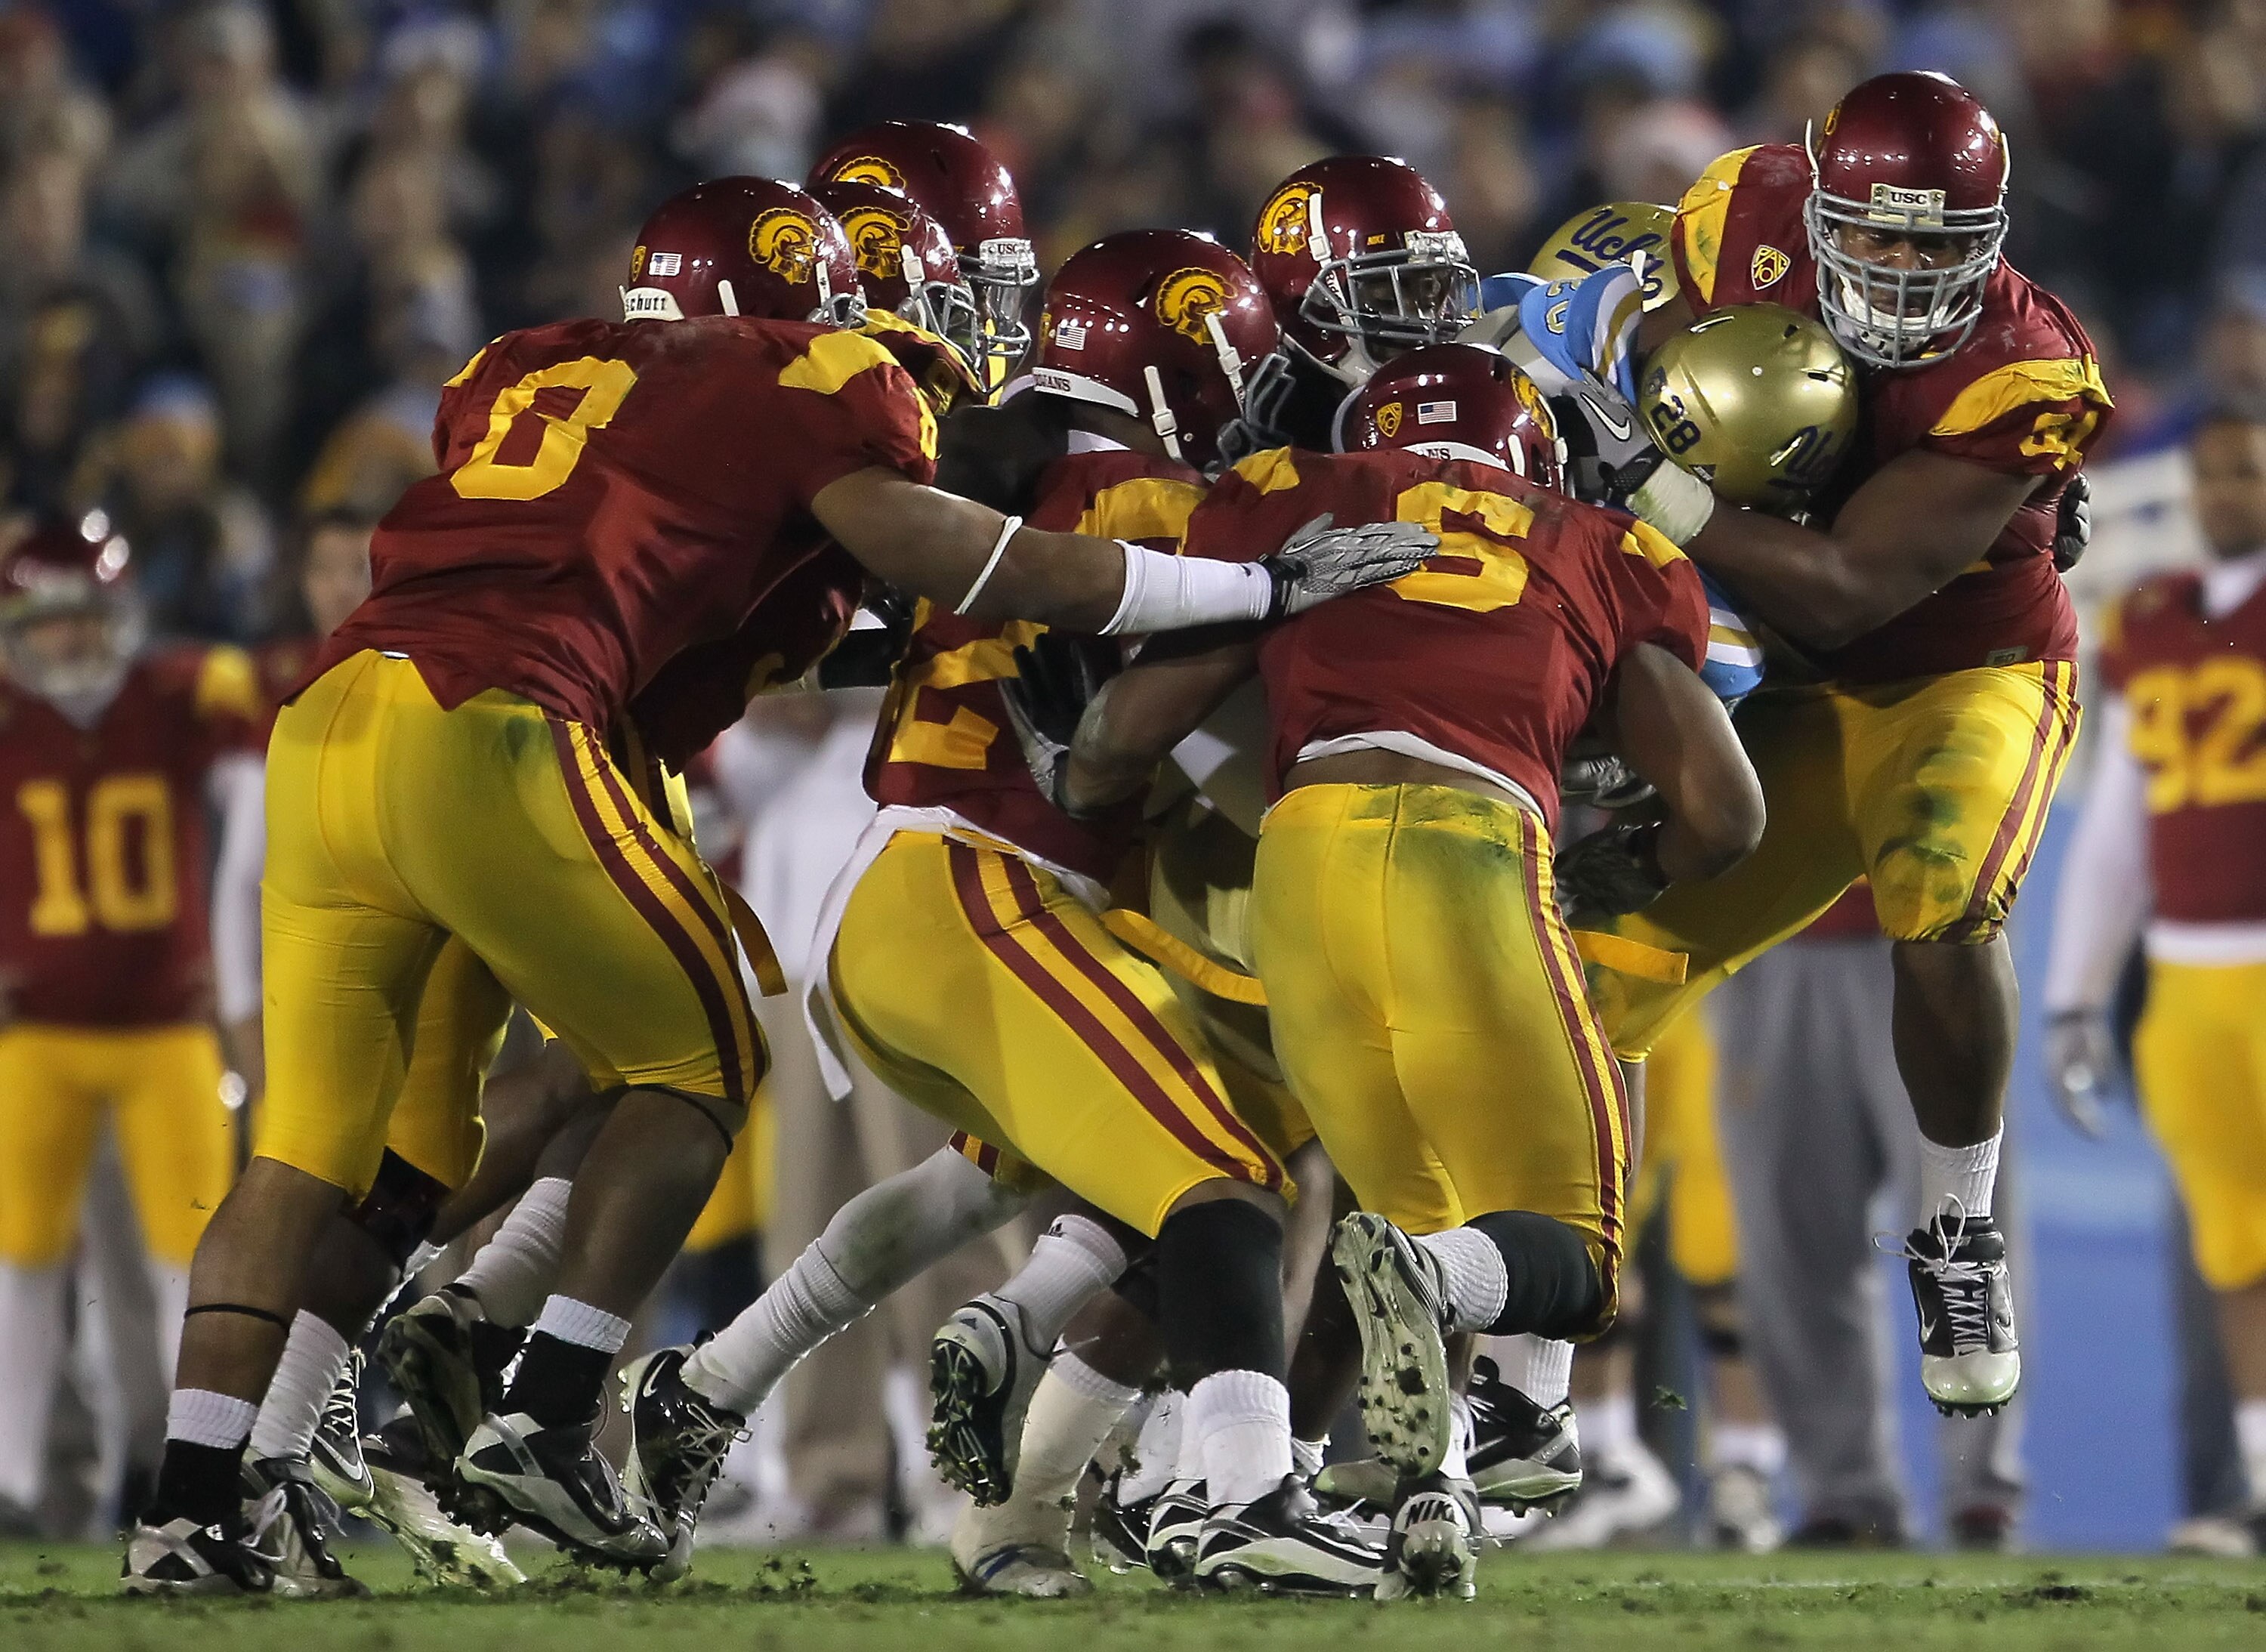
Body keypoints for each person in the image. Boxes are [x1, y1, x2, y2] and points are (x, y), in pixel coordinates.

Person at [122, 174, 1437, 1594]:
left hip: (333, 722)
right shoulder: (805, 371)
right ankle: (552, 1413)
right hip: (504, 722)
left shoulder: (533, 366)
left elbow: (695, 571)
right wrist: (1250, 592)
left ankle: (208, 1499)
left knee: (329, 1151)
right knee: (706, 1054)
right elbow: (954, 552)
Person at [1017, 342, 1765, 1597]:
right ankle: (1441, 1320)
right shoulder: (1596, 542)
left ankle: (1409, 1501)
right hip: (1468, 850)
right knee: (1568, 1257)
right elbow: (1729, 814)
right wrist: (1636, 858)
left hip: (1298, 867)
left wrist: (1075, 778)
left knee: (1406, 1193)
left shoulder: (1301, 502)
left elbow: (1129, 730)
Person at [1555, 71, 2112, 1422]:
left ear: (1992, 236)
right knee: (1596, 973)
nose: (1907, 269)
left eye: (1939, 244)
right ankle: (1526, 1368)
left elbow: (1854, 585)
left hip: (1962, 671)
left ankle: (1956, 1229)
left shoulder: (2030, 367)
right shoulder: (1739, 206)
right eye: (1878, 233)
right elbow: (1651, 334)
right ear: (1820, 200)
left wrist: (1655, 483)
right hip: (1789, 680)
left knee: (1942, 895)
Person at [0, 514, 262, 1535]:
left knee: (188, 1259)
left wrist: (233, 956)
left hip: (167, 1031)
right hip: (41, 1037)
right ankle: (14, 1486)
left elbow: (256, 810)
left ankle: (190, 1482)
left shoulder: (185, 693)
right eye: (46, 621)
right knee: (20, 1261)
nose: (66, 641)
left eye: (82, 618)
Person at [2045, 397, 2266, 1547]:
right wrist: (2076, 993)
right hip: (2185, 977)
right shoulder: (2155, 617)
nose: (2232, 494)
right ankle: (2258, 1488)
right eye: (2219, 474)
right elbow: (2121, 829)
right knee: (2231, 1240)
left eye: (2251, 474)